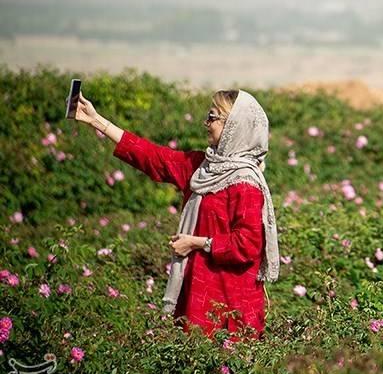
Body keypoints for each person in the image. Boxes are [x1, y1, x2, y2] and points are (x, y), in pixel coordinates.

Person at [74, 89, 280, 337]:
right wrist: (96, 121)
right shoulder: (202, 167)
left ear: (233, 126)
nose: (206, 123)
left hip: (230, 304)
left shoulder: (245, 185)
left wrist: (197, 243)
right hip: (197, 295)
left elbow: (247, 245)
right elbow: (154, 157)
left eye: (212, 117)